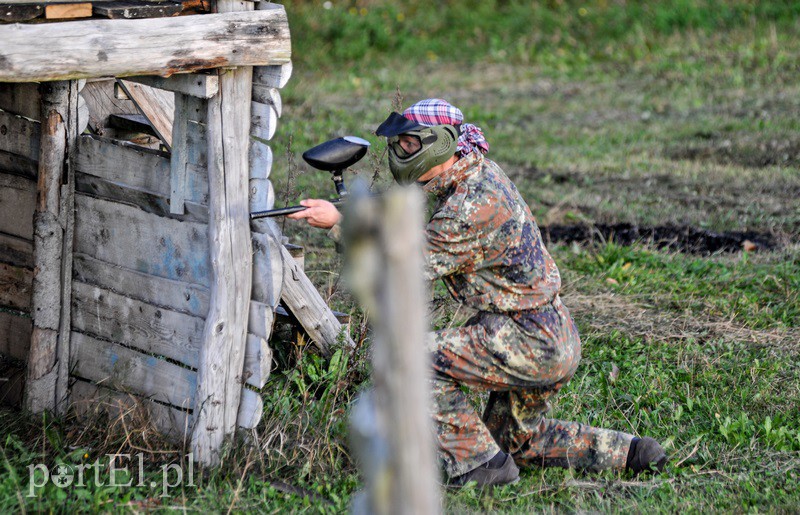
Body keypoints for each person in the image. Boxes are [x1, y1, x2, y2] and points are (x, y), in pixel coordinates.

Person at [289, 99, 667, 487]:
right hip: (546, 331)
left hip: (530, 339)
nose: (398, 153)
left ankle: (480, 467)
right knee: (516, 441)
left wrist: (339, 224)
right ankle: (630, 453)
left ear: (437, 144)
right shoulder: (469, 174)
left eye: (407, 144)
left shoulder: (473, 203)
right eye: (397, 145)